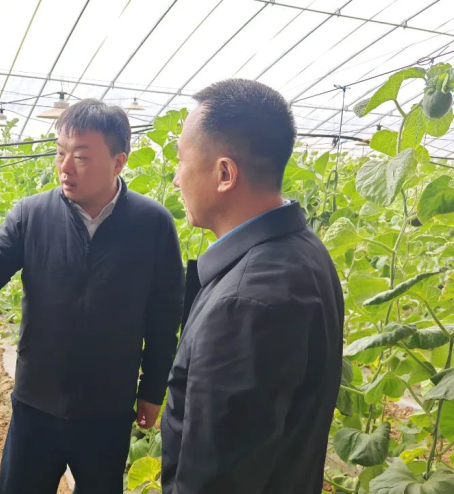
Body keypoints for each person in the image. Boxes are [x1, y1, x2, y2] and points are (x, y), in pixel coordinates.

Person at [0, 99, 184, 494]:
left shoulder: (152, 223)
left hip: (107, 409)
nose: (65, 167)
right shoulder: (32, 214)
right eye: (60, 153)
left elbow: (163, 315)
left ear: (118, 162)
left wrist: (152, 390)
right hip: (37, 402)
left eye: (81, 157)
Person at [161, 79, 343, 494]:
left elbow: (214, 481)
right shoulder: (304, 249)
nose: (175, 180)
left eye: (182, 162)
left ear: (225, 174)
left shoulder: (245, 304)